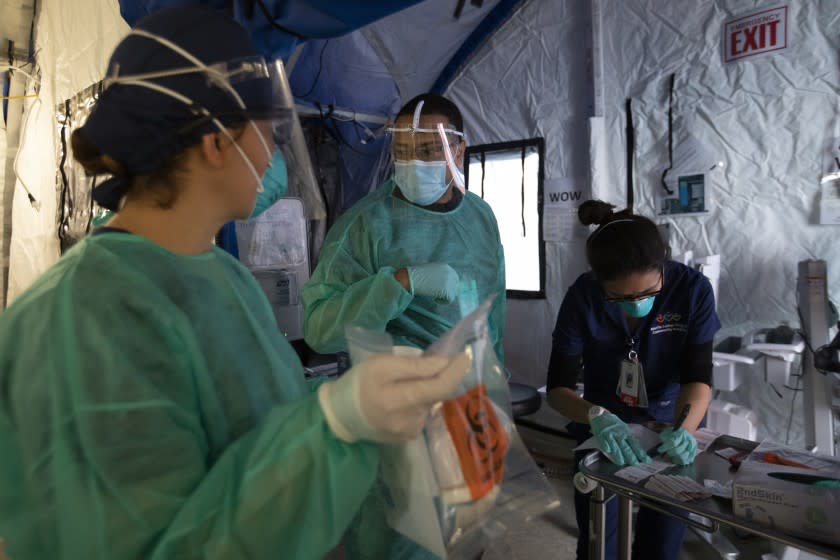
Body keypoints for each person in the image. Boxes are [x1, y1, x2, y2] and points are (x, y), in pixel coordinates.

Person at [0, 7, 472, 559]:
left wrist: (350, 403)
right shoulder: (90, 317)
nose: (276, 153)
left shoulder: (219, 274)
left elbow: (253, 424)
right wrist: (334, 427)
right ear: (214, 141)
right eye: (270, 132)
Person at [546, 200, 720, 560]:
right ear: (600, 282)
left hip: (672, 418)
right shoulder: (583, 295)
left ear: (663, 268)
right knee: (597, 541)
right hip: (603, 422)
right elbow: (557, 389)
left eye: (648, 294)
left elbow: (699, 376)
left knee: (661, 543)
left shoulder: (692, 290)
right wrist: (596, 416)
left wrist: (686, 428)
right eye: (620, 298)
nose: (636, 303)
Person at [302, 94, 506, 361]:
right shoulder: (365, 224)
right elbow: (319, 331)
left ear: (458, 149)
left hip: (474, 387)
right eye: (403, 152)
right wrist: (399, 283)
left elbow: (494, 310)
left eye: (428, 150)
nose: (413, 163)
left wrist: (496, 372)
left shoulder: (481, 215)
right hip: (402, 391)